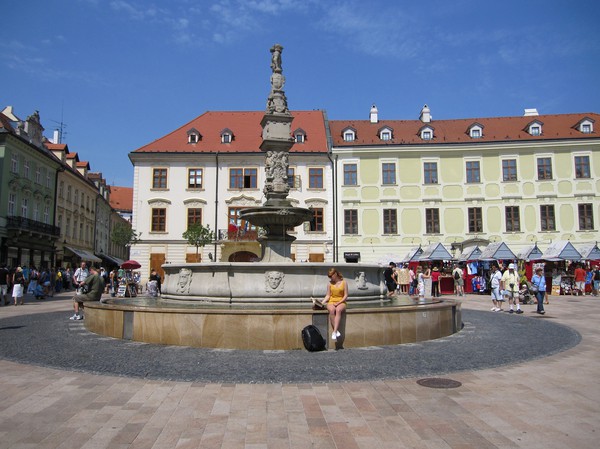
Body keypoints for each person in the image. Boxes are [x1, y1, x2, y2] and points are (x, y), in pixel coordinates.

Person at [322, 268, 348, 341]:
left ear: (335, 274)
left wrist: (339, 302)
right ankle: (336, 331)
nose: (330, 278)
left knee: (338, 309)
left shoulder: (344, 282)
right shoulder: (329, 283)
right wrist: (322, 302)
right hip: (331, 301)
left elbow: (346, 295)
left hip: (341, 301)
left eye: (331, 276)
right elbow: (328, 295)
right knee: (332, 310)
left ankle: (334, 331)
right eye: (329, 277)